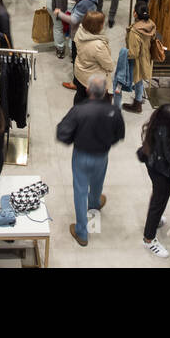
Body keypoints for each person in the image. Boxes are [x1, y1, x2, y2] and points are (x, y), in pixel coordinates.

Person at [56, 73, 126, 247]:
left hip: (81, 156)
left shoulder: (79, 110)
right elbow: (120, 134)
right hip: (102, 155)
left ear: (87, 90)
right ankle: (94, 203)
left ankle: (82, 232)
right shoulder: (114, 111)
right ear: (105, 91)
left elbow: (62, 133)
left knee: (80, 191)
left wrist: (73, 138)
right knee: (97, 182)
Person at [139, 102, 170, 257]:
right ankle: (149, 239)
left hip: (155, 166)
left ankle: (155, 220)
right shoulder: (164, 136)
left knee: (159, 196)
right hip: (161, 171)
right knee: (159, 201)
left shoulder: (157, 124)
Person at [56, 0, 99, 64]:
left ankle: (76, 78)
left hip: (79, 35)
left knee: (77, 59)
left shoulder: (84, 4)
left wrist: (59, 13)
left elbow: (73, 20)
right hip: (87, 31)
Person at [71, 11, 113, 102]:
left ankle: (77, 112)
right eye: (102, 23)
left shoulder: (80, 32)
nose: (103, 25)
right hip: (93, 80)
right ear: (97, 26)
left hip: (80, 72)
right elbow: (108, 65)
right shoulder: (98, 45)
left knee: (80, 95)